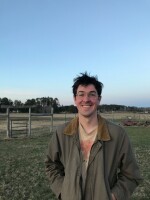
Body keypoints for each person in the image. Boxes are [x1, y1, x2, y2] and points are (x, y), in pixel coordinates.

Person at [45, 72, 142, 200]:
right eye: (81, 94)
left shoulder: (118, 134)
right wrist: (63, 191)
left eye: (92, 94)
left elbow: (131, 175)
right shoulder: (61, 133)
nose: (86, 99)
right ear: (75, 99)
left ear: (99, 99)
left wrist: (113, 196)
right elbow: (51, 164)